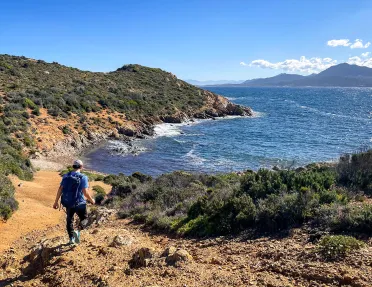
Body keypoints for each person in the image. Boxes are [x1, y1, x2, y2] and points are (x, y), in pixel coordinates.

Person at [53, 159, 95, 244]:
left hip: (68, 203)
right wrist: (92, 200)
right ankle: (77, 233)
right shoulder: (83, 177)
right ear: (81, 167)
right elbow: (85, 192)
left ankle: (72, 239)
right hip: (80, 203)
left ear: (73, 166)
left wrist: (56, 201)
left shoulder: (66, 176)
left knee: (69, 220)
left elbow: (60, 189)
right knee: (85, 219)